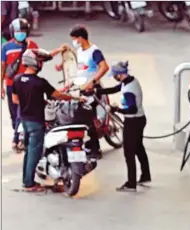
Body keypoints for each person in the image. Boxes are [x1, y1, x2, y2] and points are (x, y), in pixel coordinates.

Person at [12, 48, 86, 192]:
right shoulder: (40, 82)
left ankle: (26, 181)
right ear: (33, 63)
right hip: (36, 122)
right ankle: (29, 185)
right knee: (35, 152)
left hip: (24, 120)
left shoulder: (17, 79)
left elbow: (15, 100)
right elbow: (58, 95)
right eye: (40, 62)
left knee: (28, 151)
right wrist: (76, 98)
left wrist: (36, 101)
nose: (41, 65)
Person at [1, 18, 67, 152]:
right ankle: (18, 134)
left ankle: (17, 139)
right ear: (13, 32)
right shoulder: (6, 47)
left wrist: (59, 50)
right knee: (14, 114)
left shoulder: (32, 45)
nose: (21, 34)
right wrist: (1, 85)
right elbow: (2, 67)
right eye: (18, 31)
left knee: (22, 112)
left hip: (27, 86)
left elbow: (44, 56)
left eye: (23, 31)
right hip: (11, 85)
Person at [93, 61, 151, 192]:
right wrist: (97, 90)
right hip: (140, 120)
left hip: (133, 121)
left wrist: (115, 109)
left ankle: (131, 183)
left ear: (119, 75)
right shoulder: (130, 81)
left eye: (115, 75)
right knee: (139, 148)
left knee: (129, 152)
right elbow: (115, 88)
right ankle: (145, 175)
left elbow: (132, 109)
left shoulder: (129, 91)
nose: (114, 77)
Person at [56, 24, 109, 159]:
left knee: (89, 119)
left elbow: (104, 67)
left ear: (81, 38)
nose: (74, 42)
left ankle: (95, 150)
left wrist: (93, 81)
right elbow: (78, 69)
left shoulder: (94, 51)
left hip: (93, 90)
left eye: (75, 39)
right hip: (81, 89)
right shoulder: (79, 51)